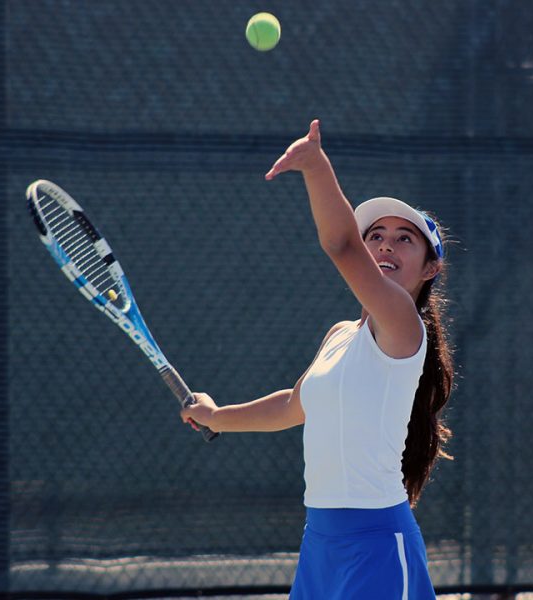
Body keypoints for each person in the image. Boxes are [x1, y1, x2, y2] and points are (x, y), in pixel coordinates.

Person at [180, 119, 454, 599]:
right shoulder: (340, 336)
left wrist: (316, 167)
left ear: (430, 268)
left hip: (377, 548)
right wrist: (217, 416)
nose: (386, 243)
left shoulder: (404, 327)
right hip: (321, 542)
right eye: (377, 235)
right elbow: (292, 406)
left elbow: (342, 244)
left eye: (405, 238)